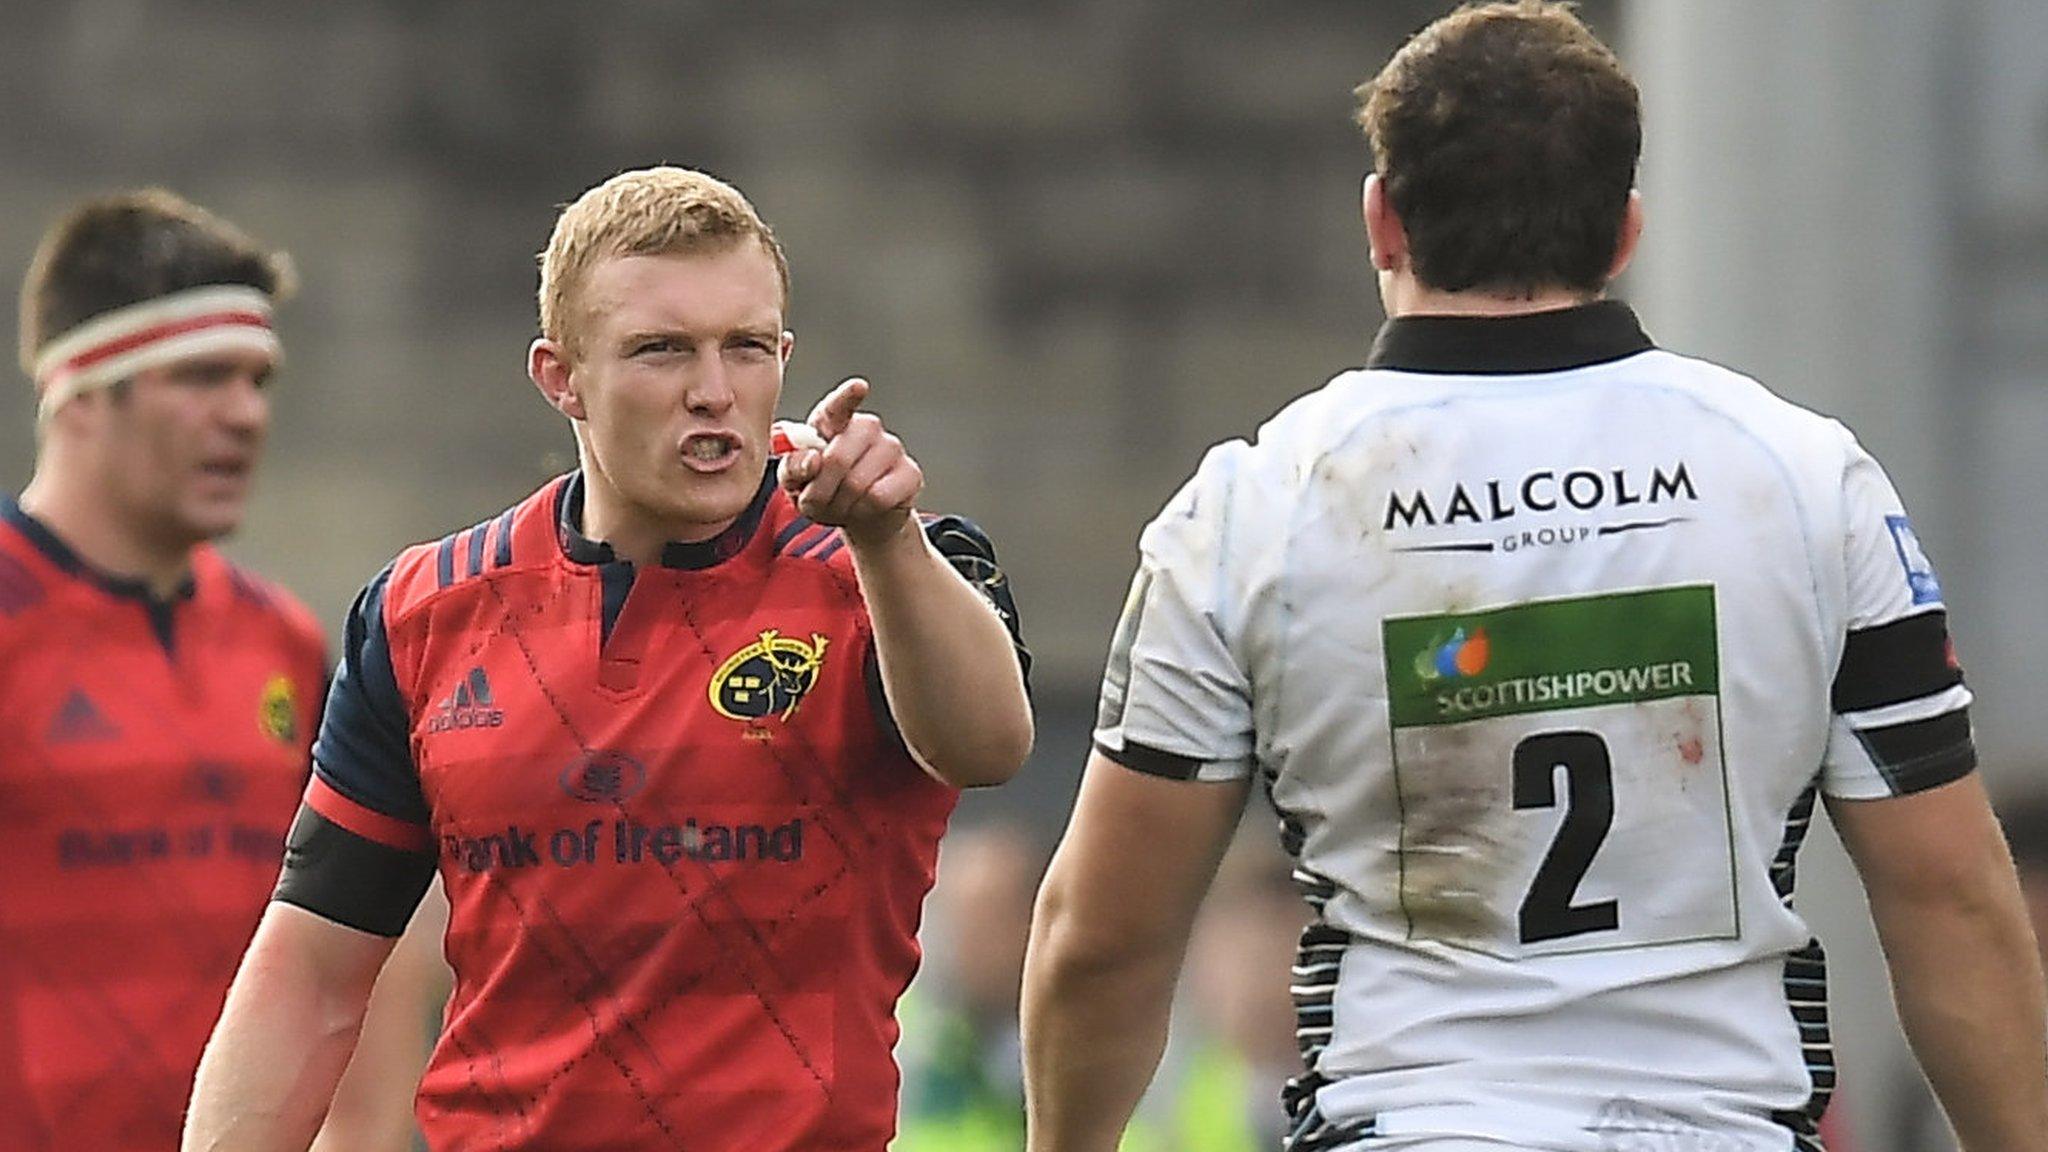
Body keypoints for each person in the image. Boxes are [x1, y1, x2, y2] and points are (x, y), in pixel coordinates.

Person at [1020, 5, 2048, 1152]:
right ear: (1623, 231)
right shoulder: (1805, 480)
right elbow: (1948, 899)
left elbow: (1104, 939)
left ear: (1381, 221)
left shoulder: (1250, 511)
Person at [184, 164, 1034, 1152]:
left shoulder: (898, 568)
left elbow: (987, 748)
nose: (713, 391)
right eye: (661, 351)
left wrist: (887, 545)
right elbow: (315, 973)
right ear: (561, 377)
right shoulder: (426, 612)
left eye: (747, 348)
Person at [0, 190, 435, 1149]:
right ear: (78, 390)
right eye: (200, 377)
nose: (244, 415)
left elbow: (360, 932)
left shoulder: (280, 636)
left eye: (258, 380)